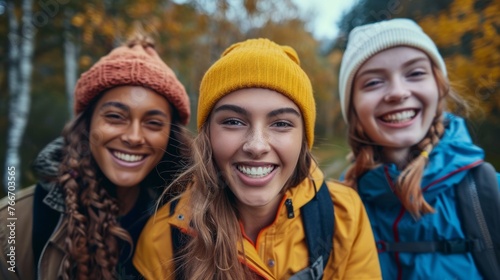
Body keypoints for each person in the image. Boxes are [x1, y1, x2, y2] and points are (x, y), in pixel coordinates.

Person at [133, 38, 381, 279]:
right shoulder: (162, 238)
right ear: (207, 135)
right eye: (233, 122)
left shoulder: (344, 215)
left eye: (281, 123)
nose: (256, 145)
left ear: (303, 140)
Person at [0, 31, 191, 279]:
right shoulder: (13, 225)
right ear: (87, 123)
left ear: (171, 135)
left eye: (153, 123)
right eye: (115, 117)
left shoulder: (190, 223)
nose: (134, 137)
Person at [338, 18, 500, 279]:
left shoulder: (490, 194)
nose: (398, 92)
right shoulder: (335, 212)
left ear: (439, 87)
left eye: (415, 73)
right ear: (353, 108)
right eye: (373, 82)